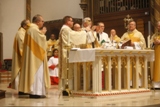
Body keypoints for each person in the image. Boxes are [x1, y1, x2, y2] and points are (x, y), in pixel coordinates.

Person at [18, 14, 51, 98]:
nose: (43, 22)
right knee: (37, 74)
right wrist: (43, 34)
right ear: (37, 22)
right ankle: (35, 92)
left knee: (38, 74)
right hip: (36, 57)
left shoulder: (31, 29)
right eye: (42, 21)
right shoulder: (34, 29)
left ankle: (37, 91)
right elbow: (40, 41)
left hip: (34, 55)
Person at [58, 16, 87, 89]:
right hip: (66, 52)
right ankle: (67, 88)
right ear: (67, 21)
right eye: (71, 21)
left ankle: (67, 88)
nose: (72, 22)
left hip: (66, 51)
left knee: (68, 70)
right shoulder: (65, 29)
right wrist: (84, 32)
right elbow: (74, 36)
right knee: (67, 70)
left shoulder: (66, 29)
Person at [10, 19, 30, 92]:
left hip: (23, 56)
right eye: (28, 24)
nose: (30, 26)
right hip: (21, 57)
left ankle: (23, 89)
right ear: (24, 26)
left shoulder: (24, 32)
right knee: (21, 73)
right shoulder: (20, 33)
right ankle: (21, 90)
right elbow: (22, 45)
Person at [151, 21, 160, 88]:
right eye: (158, 26)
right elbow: (150, 43)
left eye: (159, 26)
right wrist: (154, 43)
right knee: (157, 67)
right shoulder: (155, 35)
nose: (158, 27)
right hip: (156, 54)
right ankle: (157, 84)